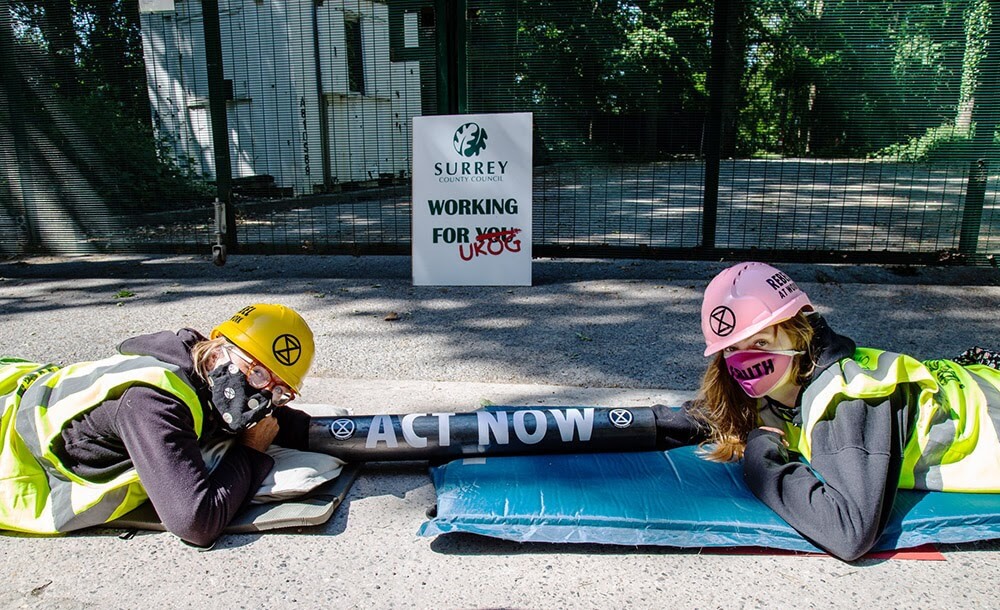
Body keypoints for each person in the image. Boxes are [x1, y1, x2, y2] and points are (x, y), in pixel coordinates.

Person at [653, 261, 1000, 561]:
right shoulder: (782, 378)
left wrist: (761, 456)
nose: (746, 360)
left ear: (799, 333)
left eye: (761, 342)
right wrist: (601, 426)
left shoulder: (850, 400)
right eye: (733, 348)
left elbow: (849, 534)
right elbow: (694, 417)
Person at [0, 303, 316, 548]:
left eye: (278, 390)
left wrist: (347, 433)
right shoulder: (154, 404)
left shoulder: (205, 368)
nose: (261, 395)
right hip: (12, 454)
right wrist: (250, 451)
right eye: (257, 374)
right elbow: (195, 522)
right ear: (219, 348)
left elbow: (274, 419)